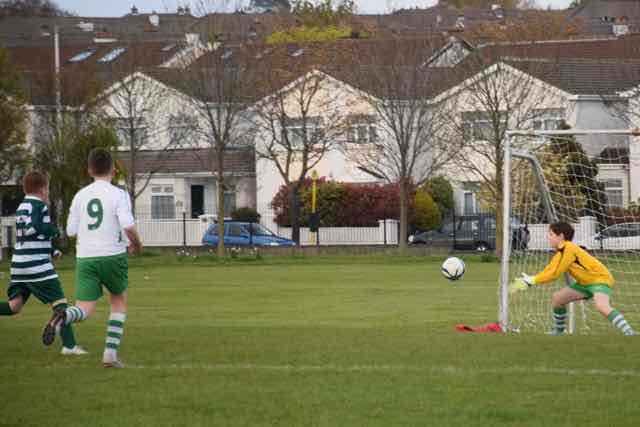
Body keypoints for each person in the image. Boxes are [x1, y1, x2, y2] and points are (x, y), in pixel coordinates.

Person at [43, 148, 143, 368]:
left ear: (89, 170)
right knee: (118, 301)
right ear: (113, 170)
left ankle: (63, 316)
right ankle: (110, 355)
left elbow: (70, 231)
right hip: (113, 255)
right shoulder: (119, 194)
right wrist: (137, 244)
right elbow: (128, 226)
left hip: (86, 258)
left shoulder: (80, 196)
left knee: (84, 309)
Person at [0, 170, 87, 355]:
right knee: (60, 304)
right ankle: (70, 346)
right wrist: (54, 231)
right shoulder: (40, 205)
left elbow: (30, 235)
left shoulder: (22, 206)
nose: (48, 192)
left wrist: (52, 250)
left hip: (19, 265)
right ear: (42, 189)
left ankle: (69, 345)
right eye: (47, 188)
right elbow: (37, 227)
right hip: (36, 266)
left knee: (14, 306)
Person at [518, 221, 635, 336]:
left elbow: (554, 274)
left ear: (561, 236)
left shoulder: (569, 248)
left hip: (599, 280)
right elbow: (549, 269)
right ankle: (559, 332)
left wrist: (533, 280)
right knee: (558, 299)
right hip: (584, 283)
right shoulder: (561, 252)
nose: (548, 238)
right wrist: (532, 278)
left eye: (551, 234)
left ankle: (630, 333)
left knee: (601, 306)